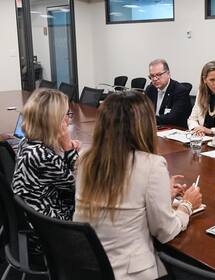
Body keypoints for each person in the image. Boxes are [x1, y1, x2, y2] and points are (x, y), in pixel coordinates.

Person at [73, 91, 202, 280]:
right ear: (144, 126)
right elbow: (165, 232)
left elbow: (121, 202)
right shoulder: (152, 165)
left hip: (88, 267)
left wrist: (161, 195)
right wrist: (187, 206)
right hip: (129, 273)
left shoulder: (86, 159)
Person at [12, 88, 80, 220]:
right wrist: (67, 148)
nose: (69, 120)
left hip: (34, 215)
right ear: (55, 121)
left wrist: (63, 147)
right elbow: (79, 186)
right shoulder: (42, 156)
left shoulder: (25, 143)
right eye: (67, 114)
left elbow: (59, 174)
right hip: (50, 223)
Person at [145, 58, 191, 128]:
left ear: (168, 74)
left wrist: (147, 120)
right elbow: (144, 111)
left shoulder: (180, 91)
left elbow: (172, 117)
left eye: (159, 74)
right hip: (155, 128)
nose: (154, 79)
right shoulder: (150, 89)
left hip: (174, 130)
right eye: (152, 76)